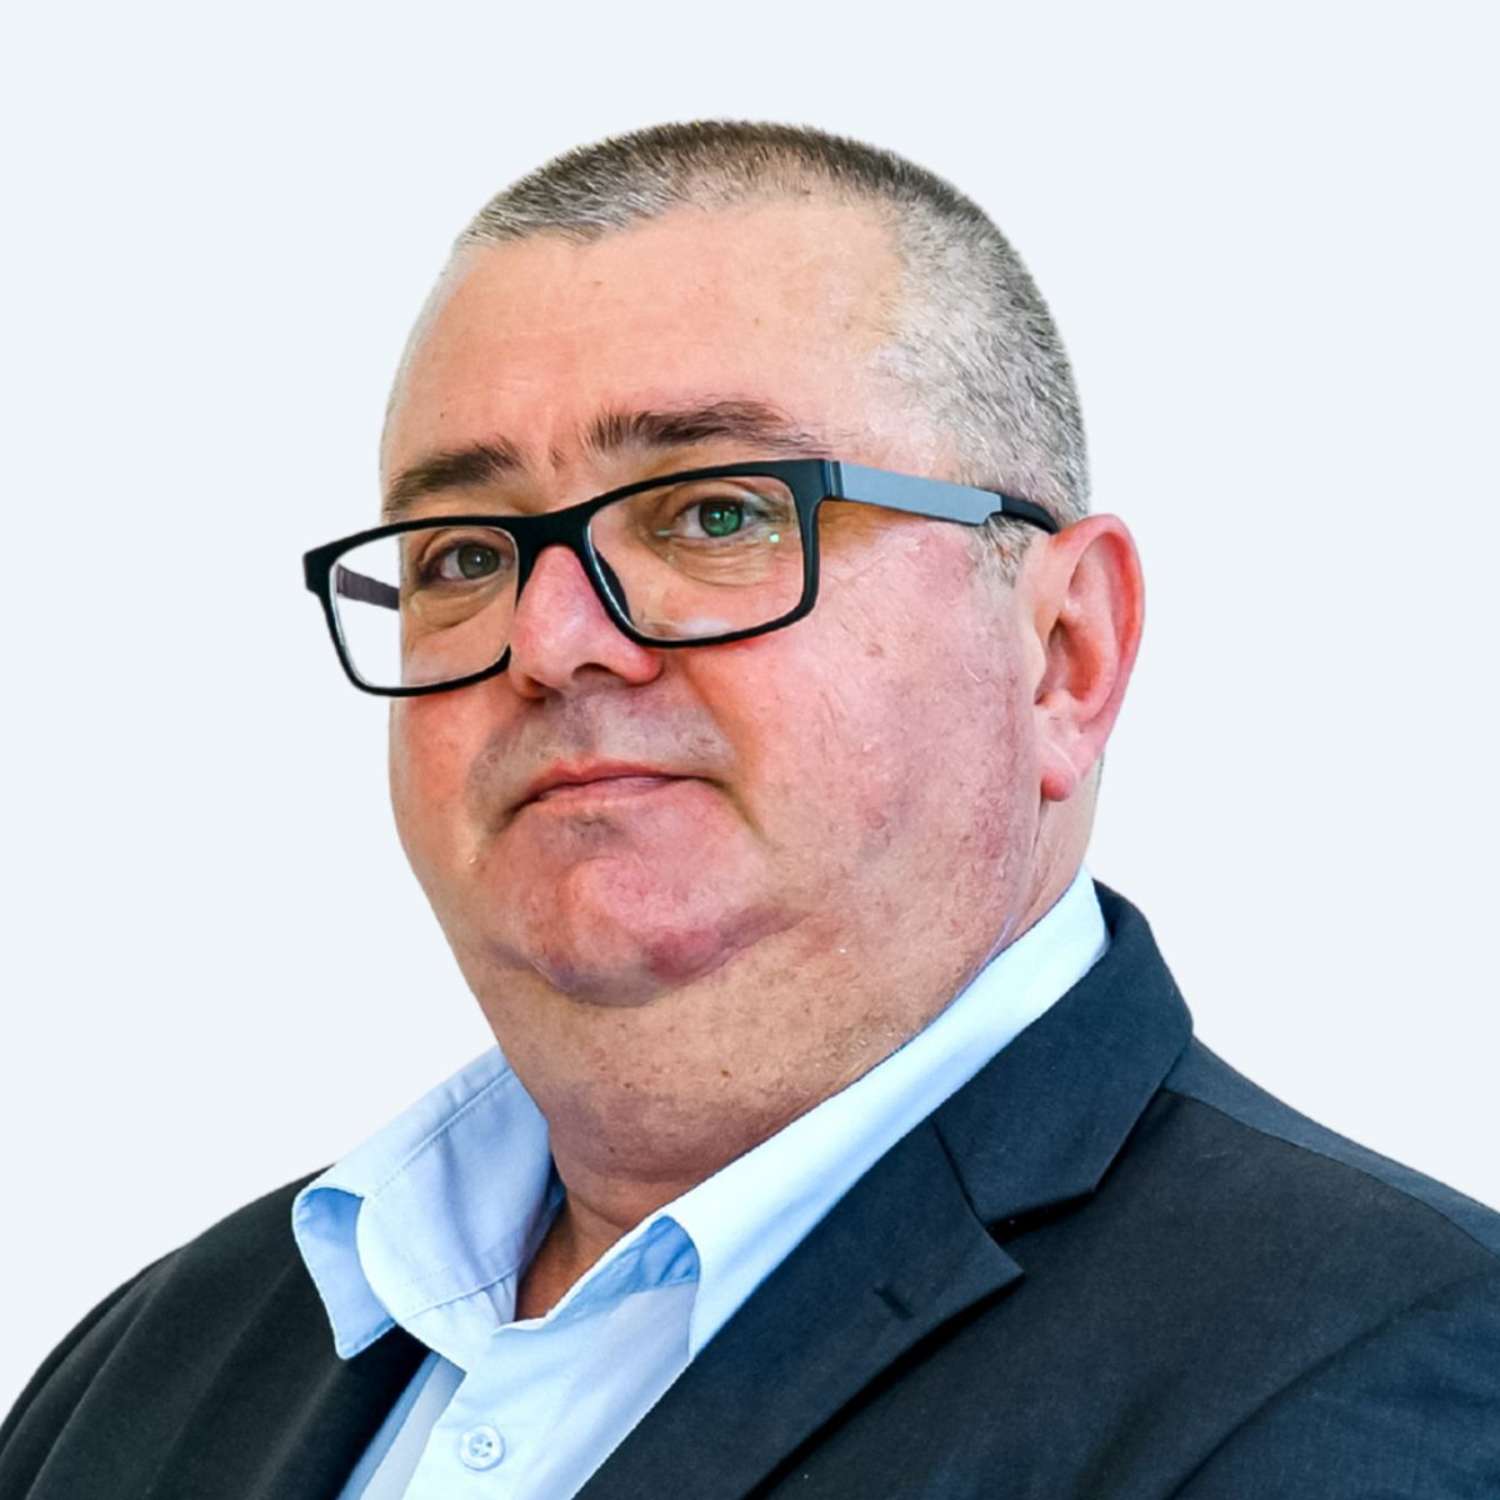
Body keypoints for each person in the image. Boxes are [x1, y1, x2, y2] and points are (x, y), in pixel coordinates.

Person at [2, 120, 1496, 1500]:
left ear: (1063, 652)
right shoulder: (142, 1374)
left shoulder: (1385, 1386)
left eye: (717, 514)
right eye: (463, 555)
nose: (550, 640)